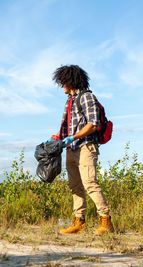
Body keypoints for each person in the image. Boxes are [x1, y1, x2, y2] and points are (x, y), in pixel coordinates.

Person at [47, 64, 114, 235]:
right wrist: (57, 138)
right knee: (75, 185)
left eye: (63, 81)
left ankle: (106, 222)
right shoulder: (69, 101)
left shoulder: (86, 97)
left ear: (70, 80)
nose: (61, 85)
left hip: (85, 146)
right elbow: (67, 128)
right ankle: (79, 222)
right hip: (71, 148)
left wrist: (73, 137)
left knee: (90, 183)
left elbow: (93, 124)